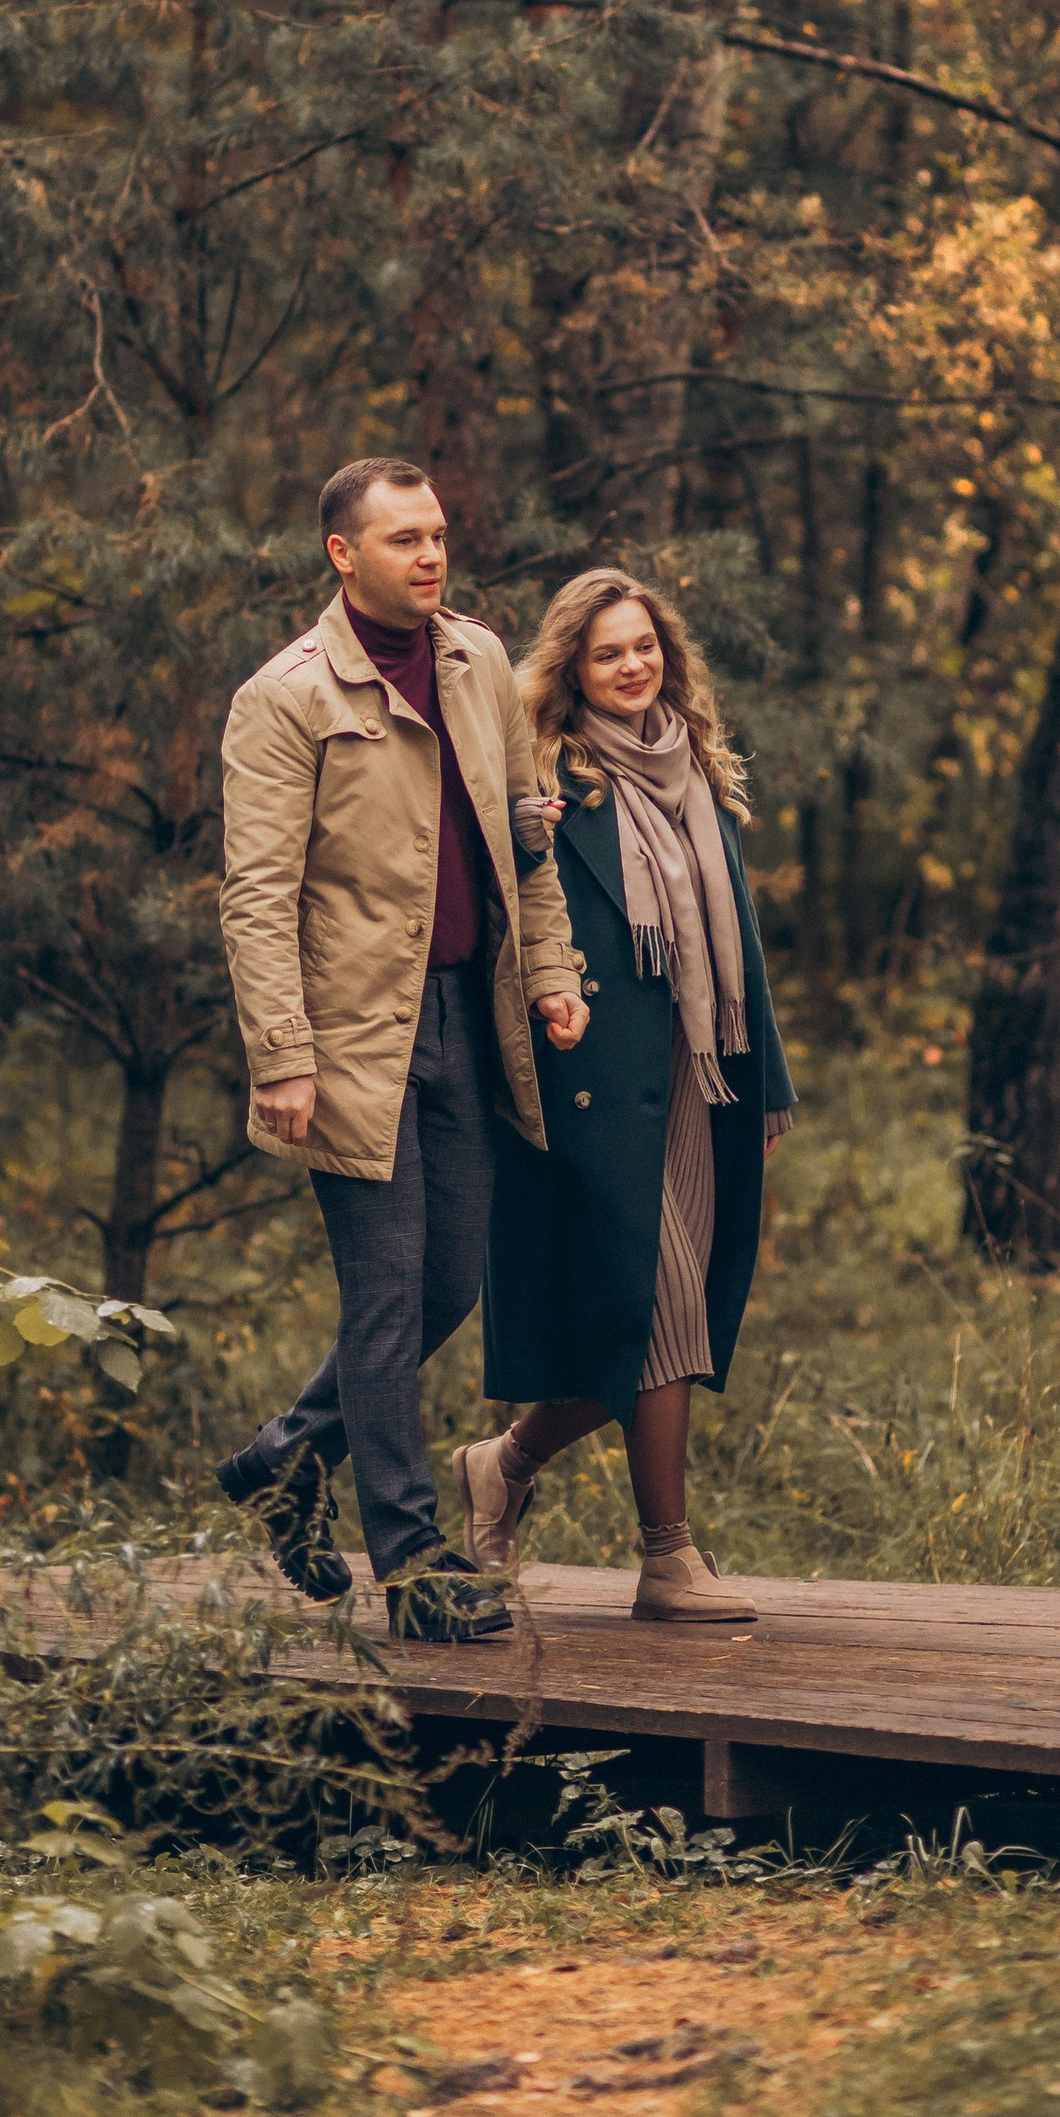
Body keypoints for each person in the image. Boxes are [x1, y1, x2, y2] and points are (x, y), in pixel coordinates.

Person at [213, 459, 589, 1642]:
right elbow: (256, 893)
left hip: (468, 1022)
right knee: (383, 1296)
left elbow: (528, 838)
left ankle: (287, 1451)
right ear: (343, 553)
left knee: (447, 1286)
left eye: (437, 535)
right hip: (352, 1035)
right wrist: (282, 1052)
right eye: (403, 539)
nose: (430, 555)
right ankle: (415, 1560)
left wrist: (554, 971)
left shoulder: (478, 662)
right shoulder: (284, 696)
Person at [456, 569, 796, 1623]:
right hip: (592, 1085)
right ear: (571, 668)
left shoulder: (695, 762)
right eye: (608, 652)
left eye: (643, 645)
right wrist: (526, 830)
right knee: (656, 1305)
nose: (632, 665)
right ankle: (666, 1555)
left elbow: (736, 932)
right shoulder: (549, 777)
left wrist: (765, 1080)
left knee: (664, 1316)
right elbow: (518, 921)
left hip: (699, 1074)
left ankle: (504, 1460)